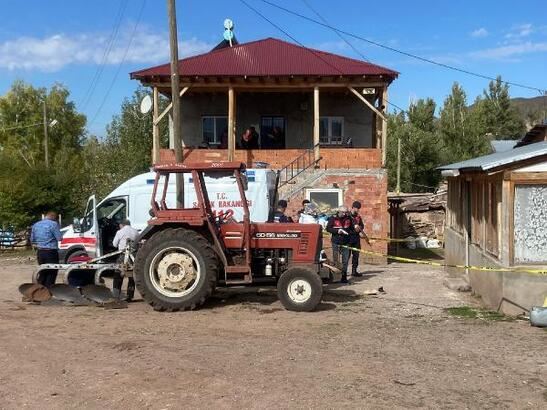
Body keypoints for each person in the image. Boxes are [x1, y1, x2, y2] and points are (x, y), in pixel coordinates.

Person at [30, 211, 62, 288]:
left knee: (42, 272)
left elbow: (32, 239)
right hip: (51, 251)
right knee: (52, 272)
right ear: (54, 217)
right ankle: (48, 290)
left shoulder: (36, 225)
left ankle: (40, 289)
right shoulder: (53, 224)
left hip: (40, 252)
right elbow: (59, 238)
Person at [112, 219, 139, 300]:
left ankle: (116, 295)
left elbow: (114, 244)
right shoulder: (136, 232)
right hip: (133, 256)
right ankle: (129, 296)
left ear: (121, 224)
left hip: (122, 256)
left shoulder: (119, 232)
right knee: (131, 276)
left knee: (118, 275)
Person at [326, 206, 353, 283]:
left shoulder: (348, 218)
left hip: (346, 242)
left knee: (345, 260)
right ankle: (335, 277)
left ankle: (344, 277)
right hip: (336, 241)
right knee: (336, 260)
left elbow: (351, 229)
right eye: (343, 212)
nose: (344, 214)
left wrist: (349, 233)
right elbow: (328, 228)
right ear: (339, 211)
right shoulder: (333, 218)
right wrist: (337, 231)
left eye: (346, 212)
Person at [349, 201, 368, 278]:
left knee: (356, 255)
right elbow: (346, 227)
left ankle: (354, 271)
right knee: (346, 256)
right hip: (348, 238)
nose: (357, 210)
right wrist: (354, 229)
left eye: (358, 208)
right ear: (353, 207)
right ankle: (343, 273)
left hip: (356, 239)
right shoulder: (348, 216)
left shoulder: (358, 217)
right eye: (356, 208)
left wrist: (359, 229)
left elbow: (362, 225)